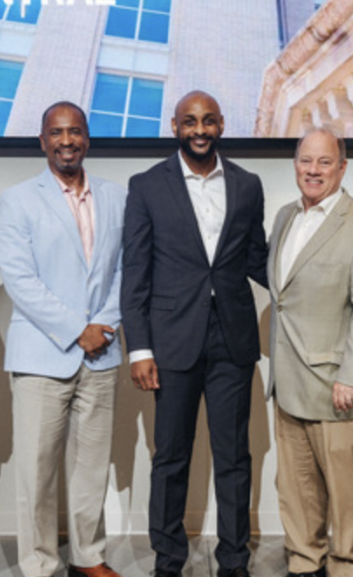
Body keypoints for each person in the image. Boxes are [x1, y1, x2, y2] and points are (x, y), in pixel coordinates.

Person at [121, 90, 268, 577]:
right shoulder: (146, 185)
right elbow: (135, 273)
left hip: (233, 341)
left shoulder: (248, 185)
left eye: (208, 121)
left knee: (234, 457)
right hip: (170, 342)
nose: (199, 130)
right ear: (175, 126)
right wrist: (138, 347)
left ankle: (233, 561)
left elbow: (256, 260)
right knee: (171, 458)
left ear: (222, 125)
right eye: (190, 122)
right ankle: (169, 559)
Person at [0, 102, 126, 577]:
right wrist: (78, 330)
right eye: (56, 132)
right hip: (41, 356)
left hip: (103, 353)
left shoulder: (116, 197)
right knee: (36, 472)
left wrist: (103, 325)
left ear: (88, 137)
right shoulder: (18, 199)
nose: (66, 140)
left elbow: (124, 273)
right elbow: (20, 280)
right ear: (42, 140)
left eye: (75, 132)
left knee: (92, 468)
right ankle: (40, 564)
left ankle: (89, 556)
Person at [266, 128, 353, 577]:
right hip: (289, 383)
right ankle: (304, 563)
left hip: (339, 386)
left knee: (348, 495)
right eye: (306, 161)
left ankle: (350, 566)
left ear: (343, 167)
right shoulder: (284, 216)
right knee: (296, 491)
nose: (313, 170)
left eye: (324, 162)